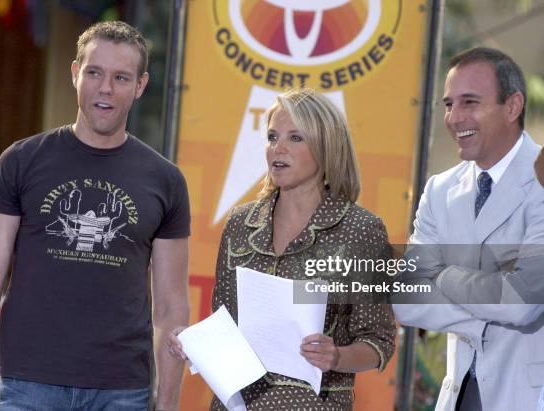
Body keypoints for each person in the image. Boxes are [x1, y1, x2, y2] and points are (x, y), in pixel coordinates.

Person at [0, 21, 190, 411]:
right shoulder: (20, 161)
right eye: (94, 72)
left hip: (122, 392)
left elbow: (171, 307)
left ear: (141, 86)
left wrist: (167, 404)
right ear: (74, 73)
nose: (105, 88)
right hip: (26, 386)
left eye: (121, 77)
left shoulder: (166, 180)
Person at [170, 88, 396, 410]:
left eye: (295, 138)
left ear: (326, 146)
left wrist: (338, 356)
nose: (279, 148)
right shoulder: (239, 223)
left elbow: (379, 340)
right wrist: (194, 342)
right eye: (273, 137)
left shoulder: (361, 230)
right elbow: (226, 325)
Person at [393, 47, 544, 411]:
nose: (455, 117)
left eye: (469, 102)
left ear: (512, 106)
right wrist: (491, 304)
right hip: (460, 394)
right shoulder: (439, 189)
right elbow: (405, 298)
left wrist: (441, 272)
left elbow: (522, 304)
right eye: (448, 104)